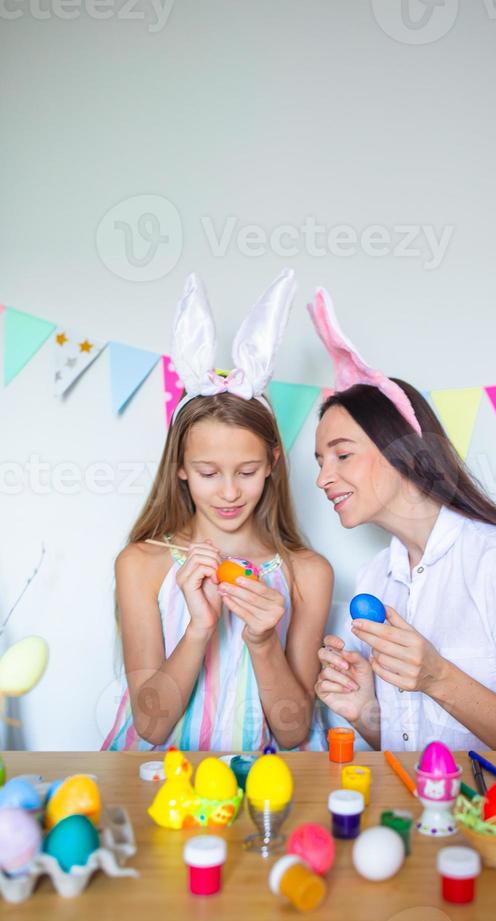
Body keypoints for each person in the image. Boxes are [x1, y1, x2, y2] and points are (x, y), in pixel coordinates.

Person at [310, 287, 496, 752]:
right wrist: (366, 709)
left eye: (342, 455)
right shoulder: (375, 580)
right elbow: (409, 746)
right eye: (319, 461)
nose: (323, 478)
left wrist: (438, 677)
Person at [102, 270, 332, 752]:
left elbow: (292, 731)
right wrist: (199, 628)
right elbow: (150, 726)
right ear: (180, 467)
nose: (229, 492)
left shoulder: (307, 573)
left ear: (272, 462)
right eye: (208, 472)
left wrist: (265, 640)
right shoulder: (141, 564)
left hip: (260, 790)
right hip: (159, 789)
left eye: (246, 471)